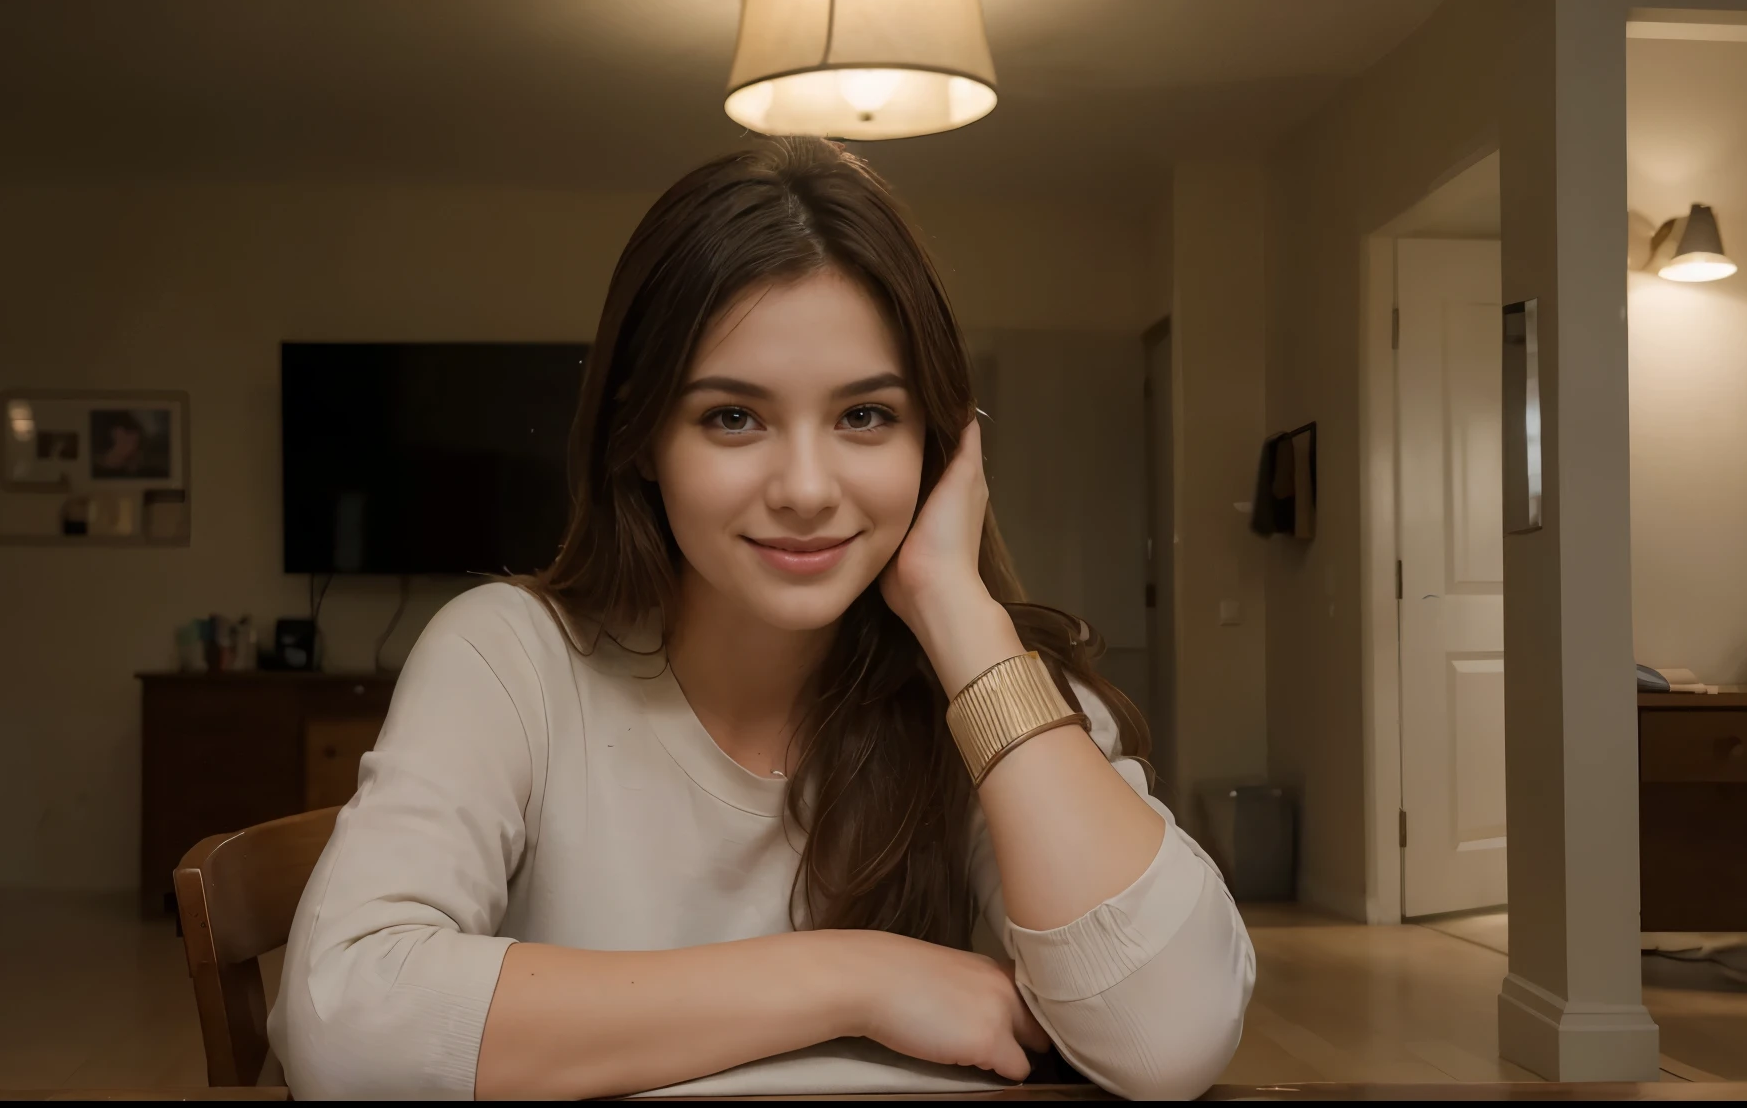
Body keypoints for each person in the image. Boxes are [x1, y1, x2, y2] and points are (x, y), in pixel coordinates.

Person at [269, 137, 1254, 1100]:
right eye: (732, 417)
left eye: (865, 415)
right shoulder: (508, 657)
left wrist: (959, 613)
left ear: (943, 445)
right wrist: (854, 980)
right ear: (641, 437)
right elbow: (346, 1025)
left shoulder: (993, 683)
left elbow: (1170, 1039)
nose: (806, 489)